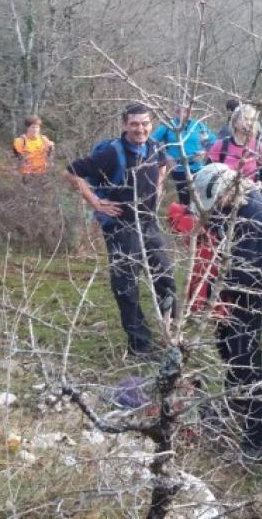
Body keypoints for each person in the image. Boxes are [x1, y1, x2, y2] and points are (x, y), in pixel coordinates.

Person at [65, 103, 176, 355]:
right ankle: (140, 345)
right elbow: (72, 171)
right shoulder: (112, 154)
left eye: (145, 123)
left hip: (148, 223)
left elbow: (163, 166)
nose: (140, 129)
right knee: (126, 286)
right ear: (124, 125)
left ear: (152, 124)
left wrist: (156, 191)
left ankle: (172, 333)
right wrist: (94, 201)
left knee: (166, 277)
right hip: (121, 227)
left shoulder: (155, 147)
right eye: (134, 124)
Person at [191, 163, 262, 463]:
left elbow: (245, 268)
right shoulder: (230, 205)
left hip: (246, 295)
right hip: (227, 293)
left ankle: (259, 434)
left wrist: (212, 283)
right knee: (227, 348)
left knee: (246, 359)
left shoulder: (252, 210)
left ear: (227, 189)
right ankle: (236, 401)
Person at [152, 102, 215, 206]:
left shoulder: (198, 125)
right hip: (179, 169)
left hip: (198, 168)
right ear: (175, 112)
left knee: (200, 200)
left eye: (188, 111)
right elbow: (152, 141)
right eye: (180, 111)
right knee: (185, 199)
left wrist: (204, 151)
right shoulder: (168, 125)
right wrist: (166, 155)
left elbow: (213, 141)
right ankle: (183, 219)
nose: (185, 114)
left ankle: (198, 220)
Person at [209, 103, 262, 182]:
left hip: (249, 191)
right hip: (221, 190)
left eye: (252, 120)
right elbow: (207, 173)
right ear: (234, 123)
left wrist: (259, 184)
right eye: (245, 119)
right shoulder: (220, 146)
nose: (249, 123)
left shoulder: (259, 148)